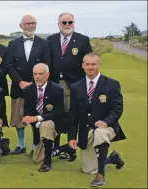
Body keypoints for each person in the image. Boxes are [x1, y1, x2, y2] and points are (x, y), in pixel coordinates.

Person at [67, 53, 126, 187]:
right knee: (88, 170)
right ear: (83, 66)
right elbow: (73, 114)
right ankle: (112, 158)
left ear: (98, 65)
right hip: (86, 131)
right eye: (87, 64)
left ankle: (101, 175)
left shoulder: (112, 84)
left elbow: (117, 109)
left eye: (93, 64)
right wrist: (71, 136)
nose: (90, 67)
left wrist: (106, 122)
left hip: (108, 127)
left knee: (100, 133)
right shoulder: (76, 87)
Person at [48, 12, 93, 159]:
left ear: (73, 23)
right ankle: (54, 147)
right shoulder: (51, 40)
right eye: (64, 22)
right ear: (58, 24)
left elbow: (88, 63)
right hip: (54, 84)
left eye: (70, 22)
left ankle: (70, 149)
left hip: (74, 85)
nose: (67, 25)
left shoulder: (83, 40)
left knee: (72, 116)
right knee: (55, 114)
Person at [6, 15, 51, 156]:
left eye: (32, 23)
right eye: (27, 24)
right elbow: (9, 66)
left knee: (35, 117)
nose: (30, 26)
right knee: (18, 118)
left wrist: (34, 83)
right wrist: (19, 81)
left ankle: (34, 146)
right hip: (18, 87)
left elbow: (46, 65)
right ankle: (21, 145)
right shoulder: (13, 44)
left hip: (37, 87)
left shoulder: (44, 43)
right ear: (21, 26)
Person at [22, 63, 64, 172]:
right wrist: (35, 122)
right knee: (36, 159)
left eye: (40, 74)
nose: (37, 77)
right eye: (35, 74)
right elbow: (27, 113)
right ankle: (63, 148)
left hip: (53, 124)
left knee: (46, 124)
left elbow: (58, 112)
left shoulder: (57, 89)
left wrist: (38, 118)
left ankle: (47, 162)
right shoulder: (28, 90)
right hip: (37, 127)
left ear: (48, 75)